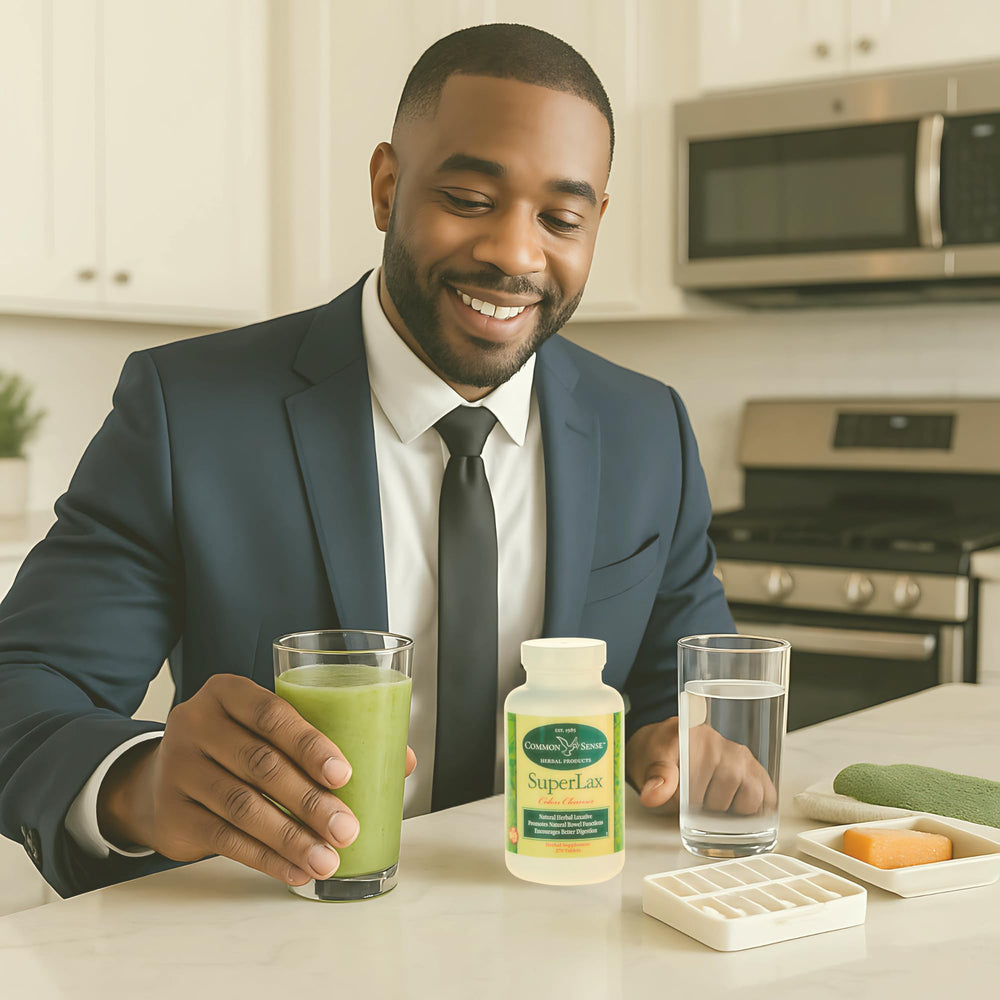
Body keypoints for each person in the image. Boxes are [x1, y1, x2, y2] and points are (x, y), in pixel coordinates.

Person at [0, 23, 763, 901]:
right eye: (471, 198)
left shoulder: (647, 427)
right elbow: (25, 685)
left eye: (560, 218)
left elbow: (685, 685)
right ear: (386, 186)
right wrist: (140, 786)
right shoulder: (191, 412)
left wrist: (681, 740)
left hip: (566, 926)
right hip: (277, 939)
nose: (516, 255)